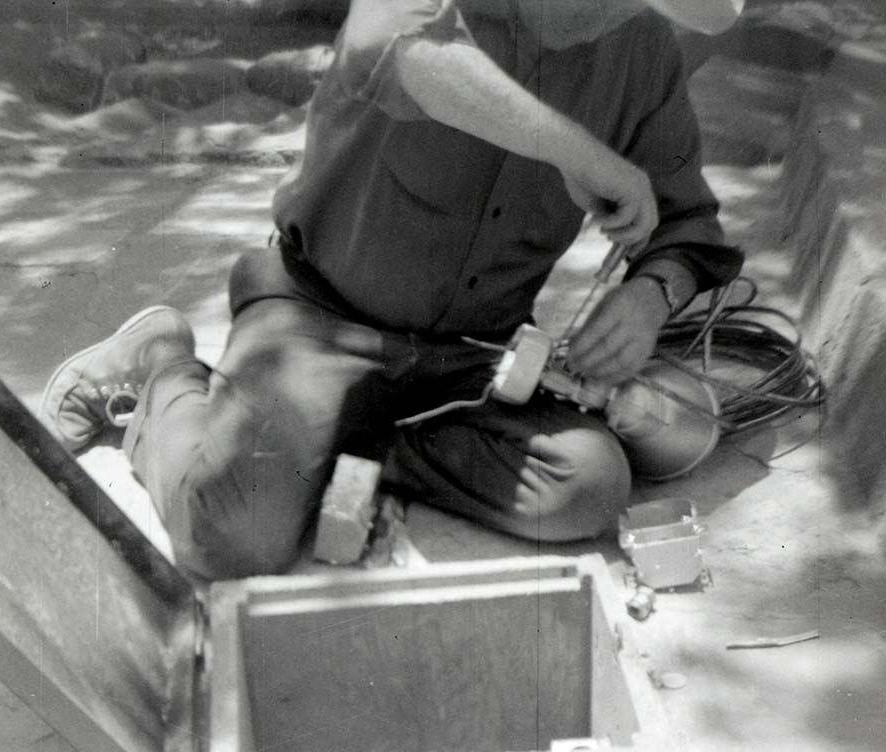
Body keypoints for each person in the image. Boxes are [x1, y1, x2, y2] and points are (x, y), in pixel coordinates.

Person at [39, 0, 745, 581]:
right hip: (318, 317)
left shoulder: (641, 48)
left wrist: (651, 295)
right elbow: (404, 50)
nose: (620, 13)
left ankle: (336, 447)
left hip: (473, 356)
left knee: (589, 484)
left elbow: (686, 222)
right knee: (229, 540)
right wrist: (577, 152)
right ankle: (160, 362)